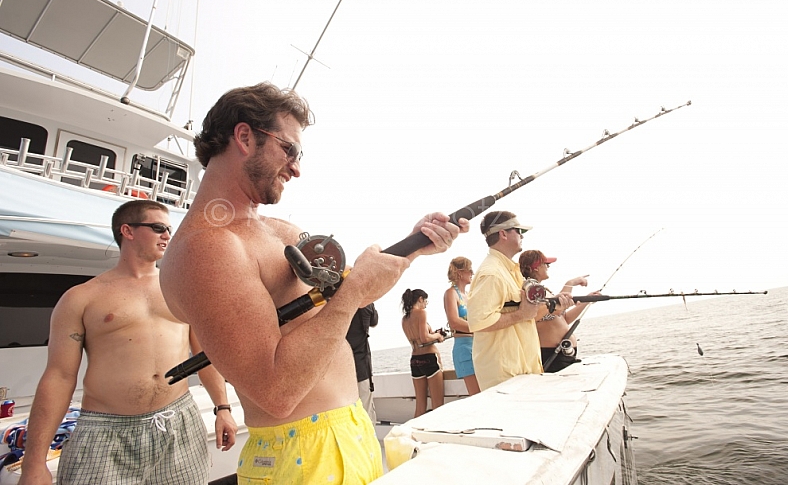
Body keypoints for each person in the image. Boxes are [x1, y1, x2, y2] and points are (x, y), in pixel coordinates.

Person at [158, 82, 466, 485]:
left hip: (351, 431)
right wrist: (353, 292)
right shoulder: (207, 248)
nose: (297, 167)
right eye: (289, 150)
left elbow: (333, 308)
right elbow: (275, 391)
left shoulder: (275, 229)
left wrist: (411, 251)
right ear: (245, 136)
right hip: (299, 456)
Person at [19, 199, 237, 485]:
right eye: (158, 227)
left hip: (179, 424)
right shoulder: (81, 298)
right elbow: (59, 376)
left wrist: (223, 408)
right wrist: (33, 463)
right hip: (105, 434)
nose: (167, 235)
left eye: (169, 229)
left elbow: (203, 355)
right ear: (127, 231)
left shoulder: (183, 288)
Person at [467, 211, 574, 390]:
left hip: (521, 374)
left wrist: (553, 303)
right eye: (518, 230)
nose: (522, 235)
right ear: (503, 233)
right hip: (506, 377)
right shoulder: (492, 273)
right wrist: (520, 314)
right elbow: (479, 321)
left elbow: (528, 314)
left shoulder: (509, 270)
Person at [519, 250, 592, 373]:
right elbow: (535, 315)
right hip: (551, 354)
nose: (548, 267)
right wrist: (570, 284)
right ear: (536, 267)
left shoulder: (544, 291)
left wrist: (587, 301)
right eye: (545, 264)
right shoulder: (531, 291)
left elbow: (564, 318)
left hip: (564, 352)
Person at [401, 289, 446, 417]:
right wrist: (437, 335)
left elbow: (418, 339)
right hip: (429, 358)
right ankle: (436, 436)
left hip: (415, 361)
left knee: (420, 408)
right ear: (420, 299)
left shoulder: (405, 319)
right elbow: (425, 338)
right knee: (438, 406)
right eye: (426, 301)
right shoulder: (421, 313)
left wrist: (433, 334)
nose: (426, 304)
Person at [442, 257, 480, 395]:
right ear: (459, 272)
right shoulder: (450, 294)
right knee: (477, 395)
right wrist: (481, 328)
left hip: (479, 347)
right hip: (464, 348)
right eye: (469, 270)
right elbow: (454, 322)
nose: (473, 273)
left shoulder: (469, 295)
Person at [345, 303, 379, 424]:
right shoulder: (365, 304)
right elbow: (374, 321)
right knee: (366, 410)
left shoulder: (332, 302)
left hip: (341, 371)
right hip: (361, 367)